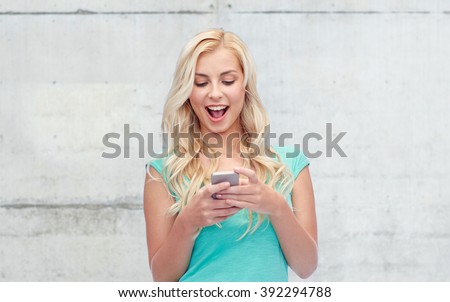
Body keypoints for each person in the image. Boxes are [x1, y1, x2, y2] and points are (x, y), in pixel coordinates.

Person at [143, 29, 317, 282]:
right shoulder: (161, 172)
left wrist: (276, 206)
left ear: (244, 85)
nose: (215, 93)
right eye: (201, 83)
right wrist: (188, 222)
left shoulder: (290, 164)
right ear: (187, 92)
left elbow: (306, 266)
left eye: (227, 81)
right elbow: (162, 279)